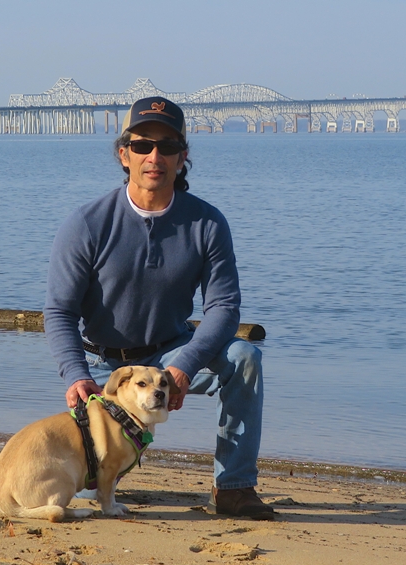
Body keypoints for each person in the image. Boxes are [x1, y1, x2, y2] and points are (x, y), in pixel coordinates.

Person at [43, 96, 274, 520]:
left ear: (183, 157)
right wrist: (76, 375)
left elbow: (224, 306)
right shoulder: (87, 223)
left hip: (172, 354)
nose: (155, 156)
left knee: (245, 358)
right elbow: (59, 312)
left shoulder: (207, 223)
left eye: (167, 147)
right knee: (88, 497)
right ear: (123, 153)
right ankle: (101, 474)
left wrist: (185, 366)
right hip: (106, 371)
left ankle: (235, 488)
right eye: (143, 145)